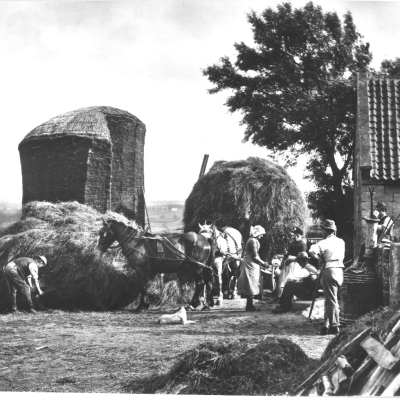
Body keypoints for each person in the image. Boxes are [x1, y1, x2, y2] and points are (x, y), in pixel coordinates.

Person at [309, 220, 344, 335]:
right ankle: (326, 324)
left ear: (325, 230)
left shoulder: (323, 243)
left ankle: (335, 325)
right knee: (330, 298)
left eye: (322, 230)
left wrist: (320, 258)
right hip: (340, 270)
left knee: (331, 299)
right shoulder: (341, 241)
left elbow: (311, 251)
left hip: (329, 269)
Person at [237, 225, 268, 311]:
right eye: (261, 234)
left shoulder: (251, 240)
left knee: (251, 284)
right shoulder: (253, 241)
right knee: (251, 284)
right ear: (257, 233)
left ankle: (249, 304)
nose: (261, 236)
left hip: (250, 263)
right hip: (251, 264)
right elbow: (255, 256)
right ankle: (249, 305)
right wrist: (263, 263)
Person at [275, 227, 307, 298]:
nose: (293, 237)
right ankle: (282, 297)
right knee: (284, 280)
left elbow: (302, 256)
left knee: (292, 280)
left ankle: (291, 298)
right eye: (293, 235)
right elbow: (288, 254)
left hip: (295, 264)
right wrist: (280, 256)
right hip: (288, 264)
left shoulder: (302, 244)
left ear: (299, 235)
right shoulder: (292, 243)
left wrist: (292, 259)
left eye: (295, 235)